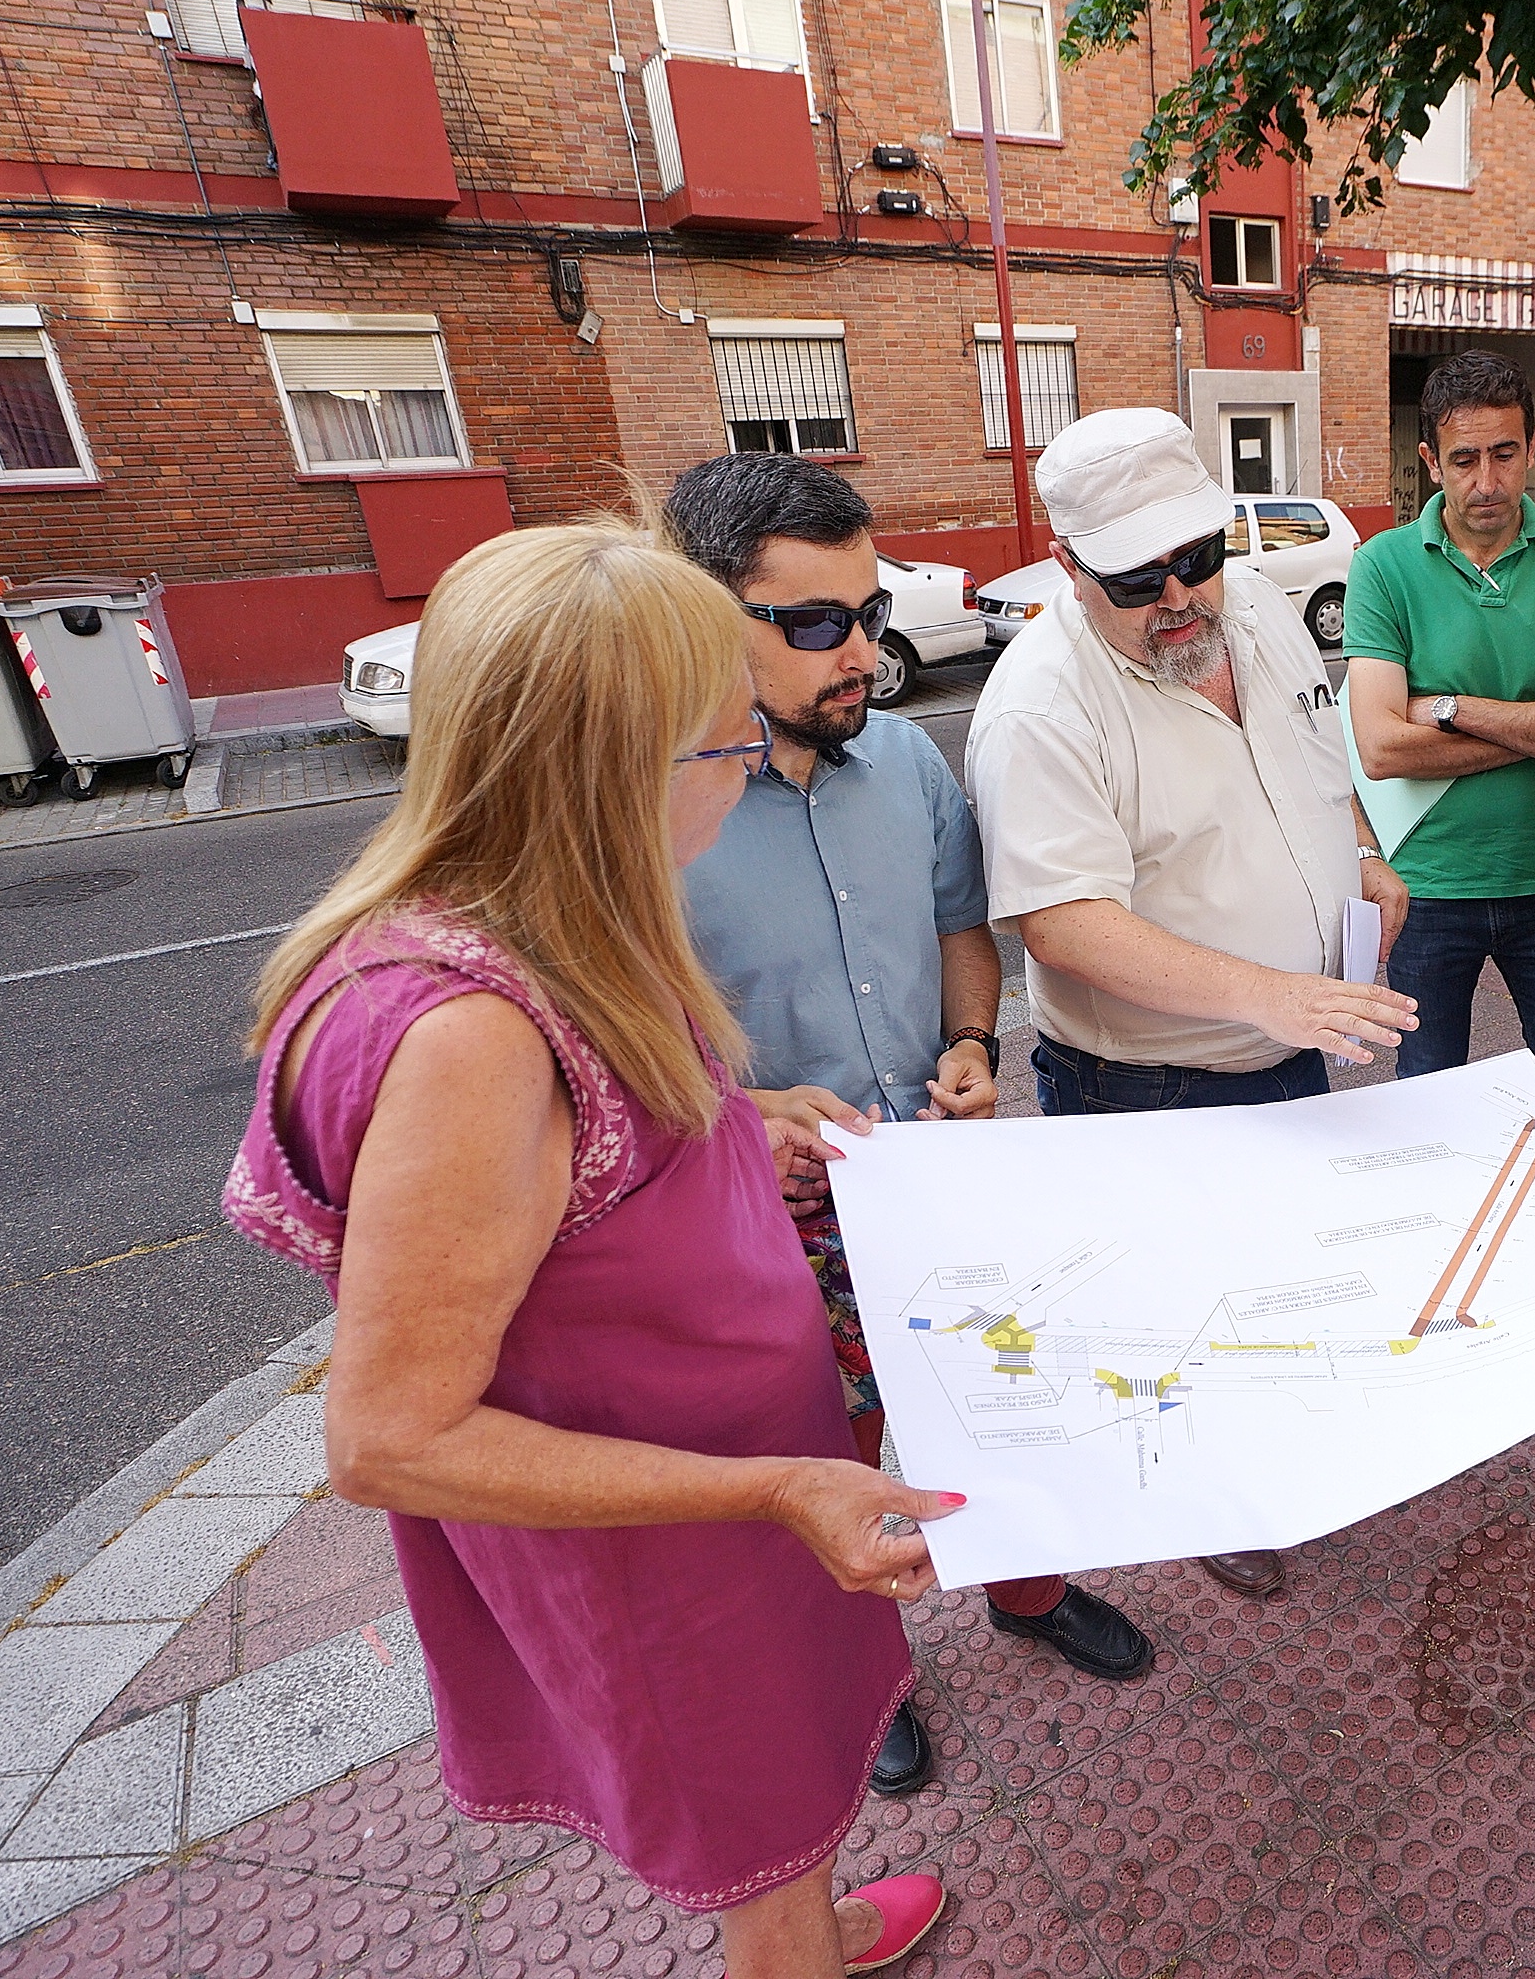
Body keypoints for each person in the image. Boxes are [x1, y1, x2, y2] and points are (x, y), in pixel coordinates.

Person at [224, 522, 956, 1978]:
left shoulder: (550, 927)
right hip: (672, 1538)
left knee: (788, 1795)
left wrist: (734, 1123)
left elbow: (577, 1170)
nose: (747, 767)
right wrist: (779, 1485)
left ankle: (808, 1925)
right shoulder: (466, 1039)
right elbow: (389, 1438)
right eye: (725, 742)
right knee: (754, 1818)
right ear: (611, 770)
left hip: (719, 1489)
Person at [663, 454, 1159, 1805]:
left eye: (870, 612)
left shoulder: (901, 760)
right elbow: (595, 1048)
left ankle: (1026, 1591)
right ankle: (857, 1668)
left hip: (939, 1180)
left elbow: (961, 928)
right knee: (826, 1466)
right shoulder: (646, 807)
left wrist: (968, 1044)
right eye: (815, 622)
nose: (860, 652)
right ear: (704, 621)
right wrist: (737, 1119)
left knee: (997, 1406)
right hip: (769, 1221)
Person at [963, 406, 1417, 1599]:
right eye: (1136, 578)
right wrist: (1272, 992)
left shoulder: (1252, 603)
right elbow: (1061, 921)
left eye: (1197, 556)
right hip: (1147, 1083)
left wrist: (1362, 854)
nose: (1178, 596)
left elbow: (1318, 755)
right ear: (1067, 566)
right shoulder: (1038, 707)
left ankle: (1275, 1448)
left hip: (1285, 1041)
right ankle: (1214, 1493)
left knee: (1277, 1272)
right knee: (1178, 1310)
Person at [1342, 348, 1535, 1091]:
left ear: (1534, 446)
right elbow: (1380, 748)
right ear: (1430, 462)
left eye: (1504, 454)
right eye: (1464, 459)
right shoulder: (1383, 566)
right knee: (1429, 1099)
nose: (1488, 482)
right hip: (1428, 887)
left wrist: (1449, 709)